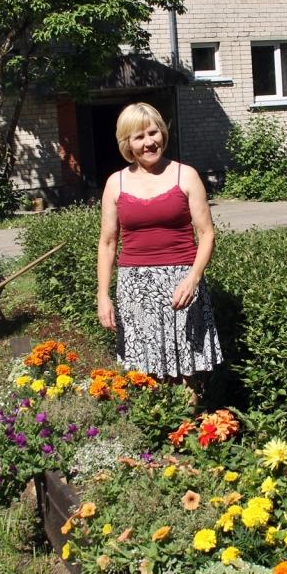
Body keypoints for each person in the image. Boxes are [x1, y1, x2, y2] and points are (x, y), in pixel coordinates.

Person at [97, 103, 223, 387]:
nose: (149, 142)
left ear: (163, 134)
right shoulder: (115, 183)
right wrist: (103, 295)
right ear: (127, 143)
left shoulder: (186, 175)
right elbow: (107, 242)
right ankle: (156, 425)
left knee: (186, 368)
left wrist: (193, 279)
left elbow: (207, 234)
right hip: (135, 286)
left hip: (181, 283)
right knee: (145, 370)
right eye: (139, 137)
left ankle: (187, 428)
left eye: (153, 133)